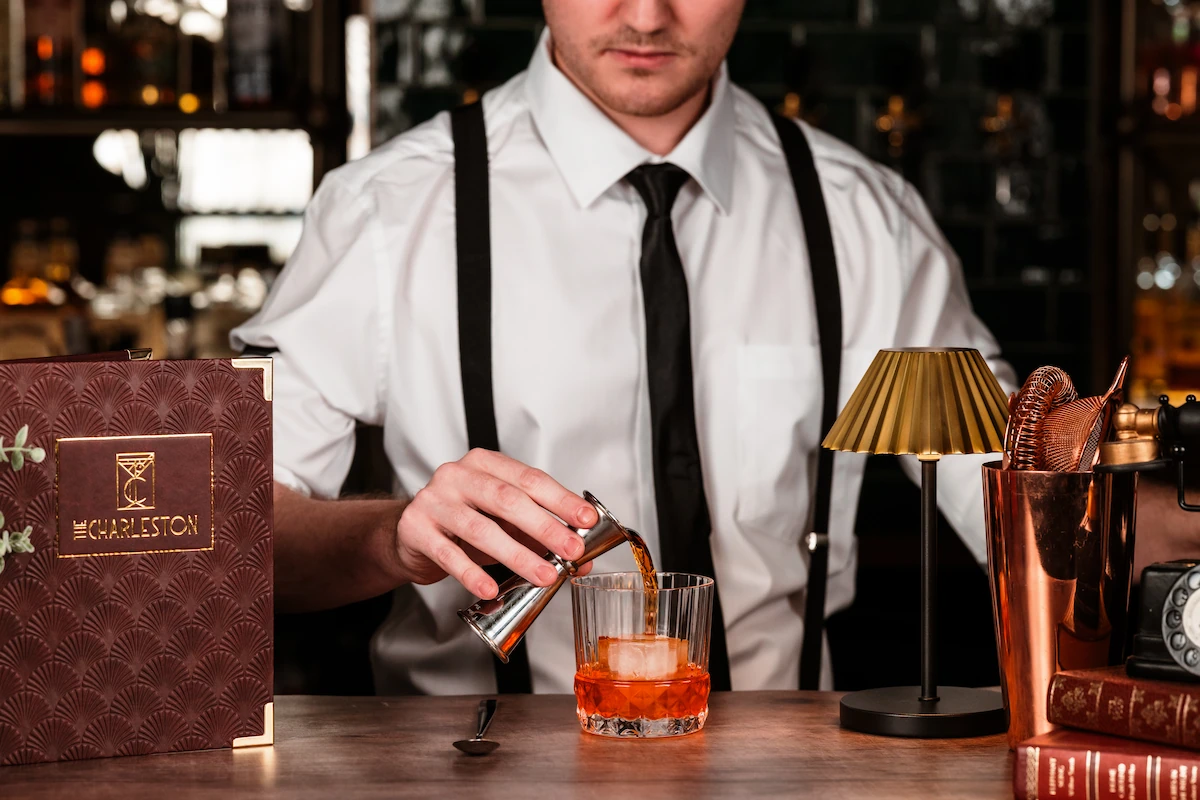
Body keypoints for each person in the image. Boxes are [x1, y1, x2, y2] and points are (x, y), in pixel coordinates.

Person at [232, 0, 1019, 695]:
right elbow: (232, 525)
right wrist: (393, 537)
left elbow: (1024, 501)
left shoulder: (864, 219)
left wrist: (1117, 489)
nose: (645, 16)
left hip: (782, 777)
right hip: (475, 773)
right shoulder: (387, 210)